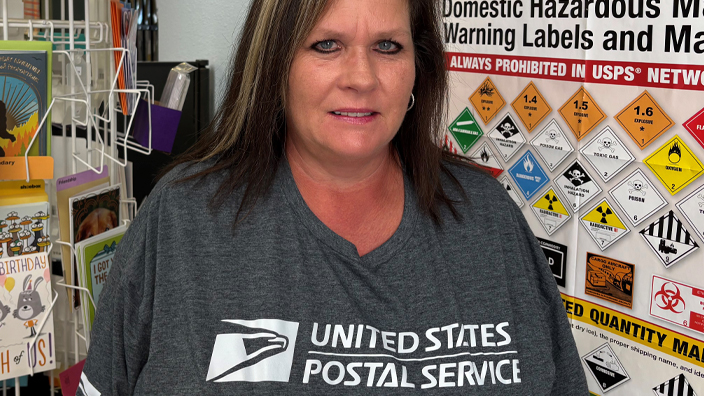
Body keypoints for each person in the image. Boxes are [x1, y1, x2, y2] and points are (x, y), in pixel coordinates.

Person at [77, 0, 588, 394]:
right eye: (326, 45)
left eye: (388, 46)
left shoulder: (487, 219)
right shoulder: (184, 219)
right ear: (275, 65)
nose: (362, 78)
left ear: (419, 67)